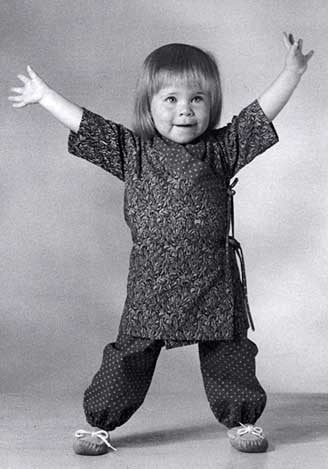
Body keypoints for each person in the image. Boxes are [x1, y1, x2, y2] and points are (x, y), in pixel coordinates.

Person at [9, 32, 313, 455]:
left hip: (212, 281)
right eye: (170, 99)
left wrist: (291, 74)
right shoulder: (132, 153)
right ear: (148, 105)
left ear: (211, 105)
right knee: (129, 355)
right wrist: (44, 96)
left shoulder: (221, 151)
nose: (185, 110)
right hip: (152, 283)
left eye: (197, 99)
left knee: (229, 351)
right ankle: (100, 424)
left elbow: (257, 115)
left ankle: (242, 420)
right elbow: (86, 124)